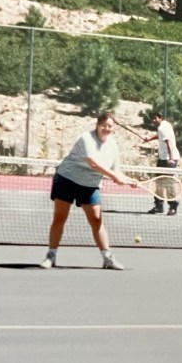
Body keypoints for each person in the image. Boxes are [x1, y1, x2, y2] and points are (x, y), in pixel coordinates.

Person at [40, 111, 136, 270]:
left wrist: (129, 180)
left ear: (114, 128)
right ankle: (51, 256)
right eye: (103, 125)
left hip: (90, 185)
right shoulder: (86, 139)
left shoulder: (113, 146)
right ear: (97, 125)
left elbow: (116, 170)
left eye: (110, 126)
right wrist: (114, 177)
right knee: (60, 217)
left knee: (97, 220)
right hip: (67, 179)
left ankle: (107, 258)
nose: (107, 128)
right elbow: (93, 163)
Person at [142, 111, 181, 215]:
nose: (153, 120)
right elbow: (160, 135)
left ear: (160, 118)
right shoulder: (165, 125)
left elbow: (169, 144)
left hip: (169, 158)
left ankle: (173, 206)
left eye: (155, 118)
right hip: (162, 158)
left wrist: (170, 159)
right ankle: (159, 206)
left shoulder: (162, 127)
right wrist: (149, 138)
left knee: (168, 182)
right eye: (152, 119)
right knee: (159, 181)